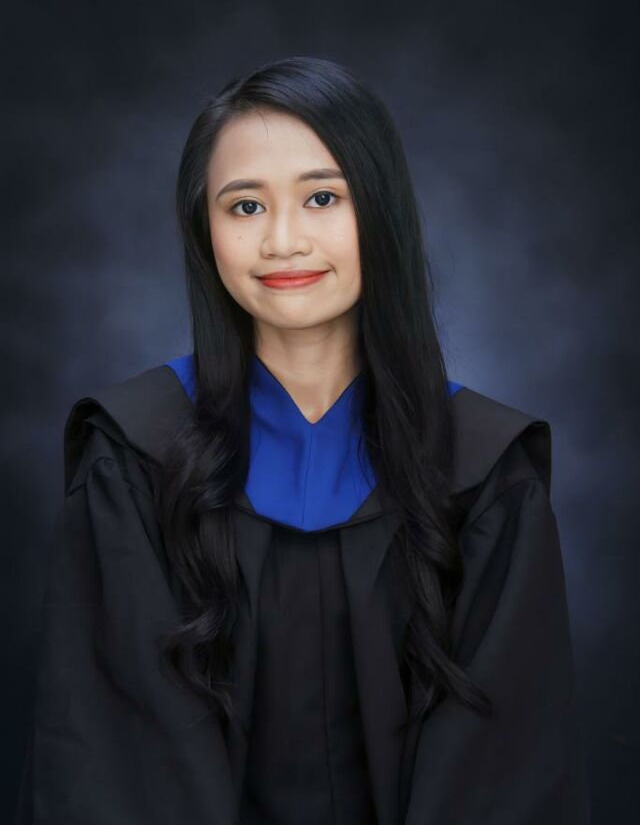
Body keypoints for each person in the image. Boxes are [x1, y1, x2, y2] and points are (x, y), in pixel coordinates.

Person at [15, 55, 591, 824]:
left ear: (380, 211)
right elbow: (116, 766)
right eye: (245, 206)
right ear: (204, 230)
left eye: (323, 197)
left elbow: (501, 772)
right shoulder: (134, 459)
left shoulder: (485, 471)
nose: (282, 240)